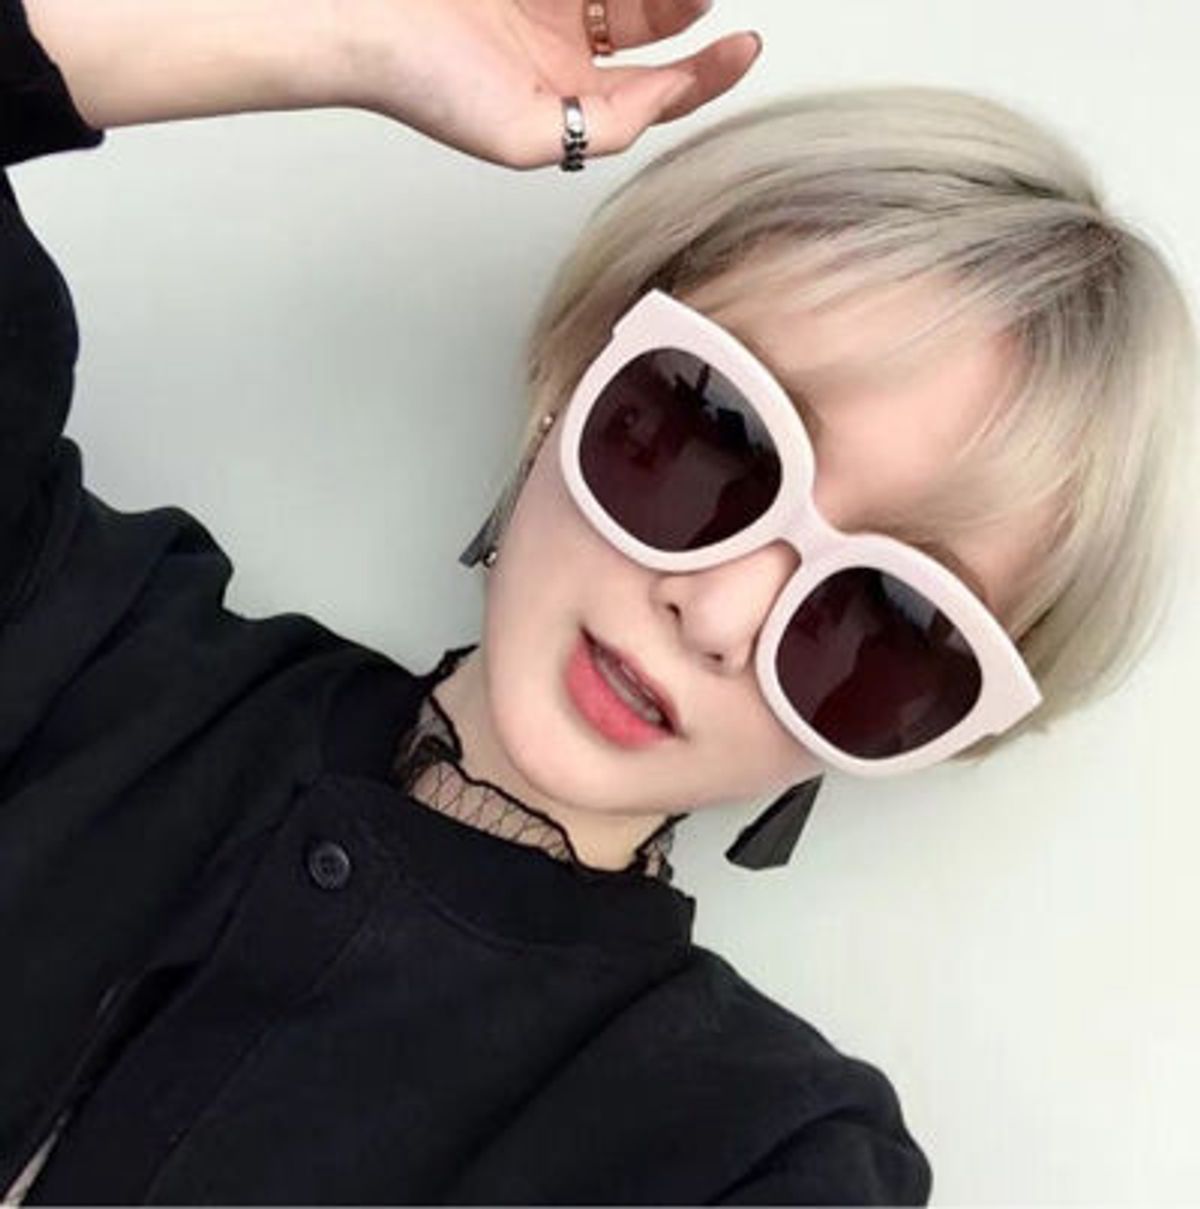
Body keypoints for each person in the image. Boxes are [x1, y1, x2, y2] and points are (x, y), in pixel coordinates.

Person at [1, 0, 1193, 1204]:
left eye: (890, 620)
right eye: (718, 429)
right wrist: (344, 31)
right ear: (577, 368)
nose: (717, 618)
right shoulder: (69, 626)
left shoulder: (759, 1163)